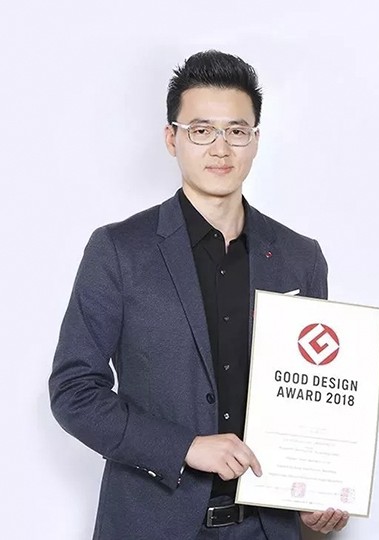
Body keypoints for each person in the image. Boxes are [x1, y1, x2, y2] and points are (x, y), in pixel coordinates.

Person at [49, 50, 349, 540]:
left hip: (266, 528)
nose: (221, 148)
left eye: (237, 131)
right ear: (173, 139)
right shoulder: (119, 250)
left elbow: (314, 395)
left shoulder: (300, 258)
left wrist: (318, 493)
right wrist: (185, 446)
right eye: (202, 130)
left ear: (255, 140)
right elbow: (74, 392)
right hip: (151, 524)